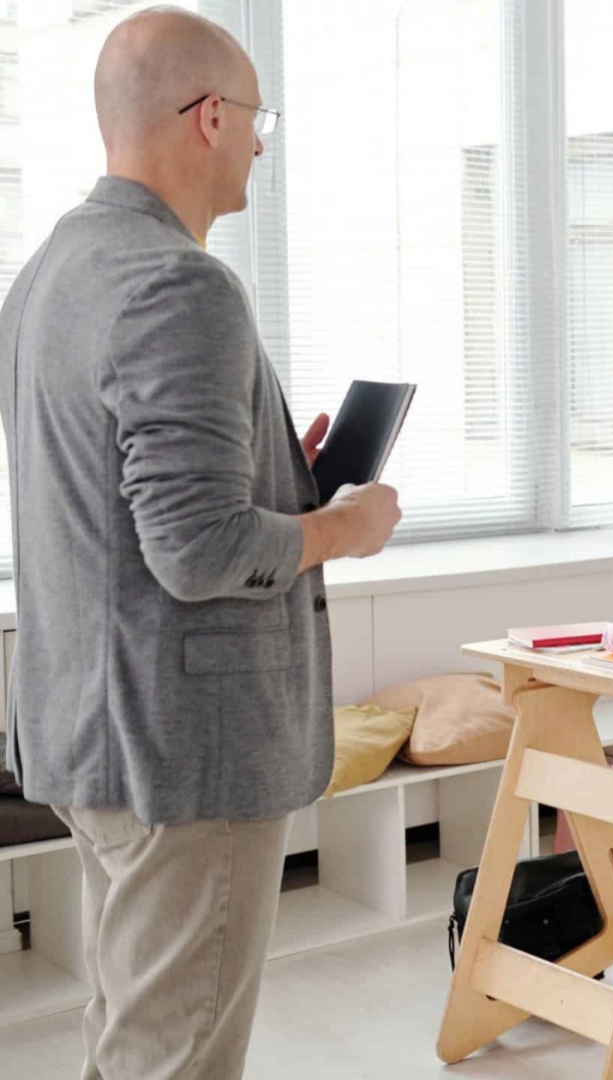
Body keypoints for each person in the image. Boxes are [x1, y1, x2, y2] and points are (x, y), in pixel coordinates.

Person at [0, 9, 401, 1078]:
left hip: (87, 728)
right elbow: (196, 550)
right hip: (184, 750)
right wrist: (345, 526)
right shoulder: (180, 283)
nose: (262, 146)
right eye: (257, 120)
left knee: (131, 1029)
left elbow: (113, 502)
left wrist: (279, 475)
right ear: (210, 117)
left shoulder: (50, 272)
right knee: (176, 1055)